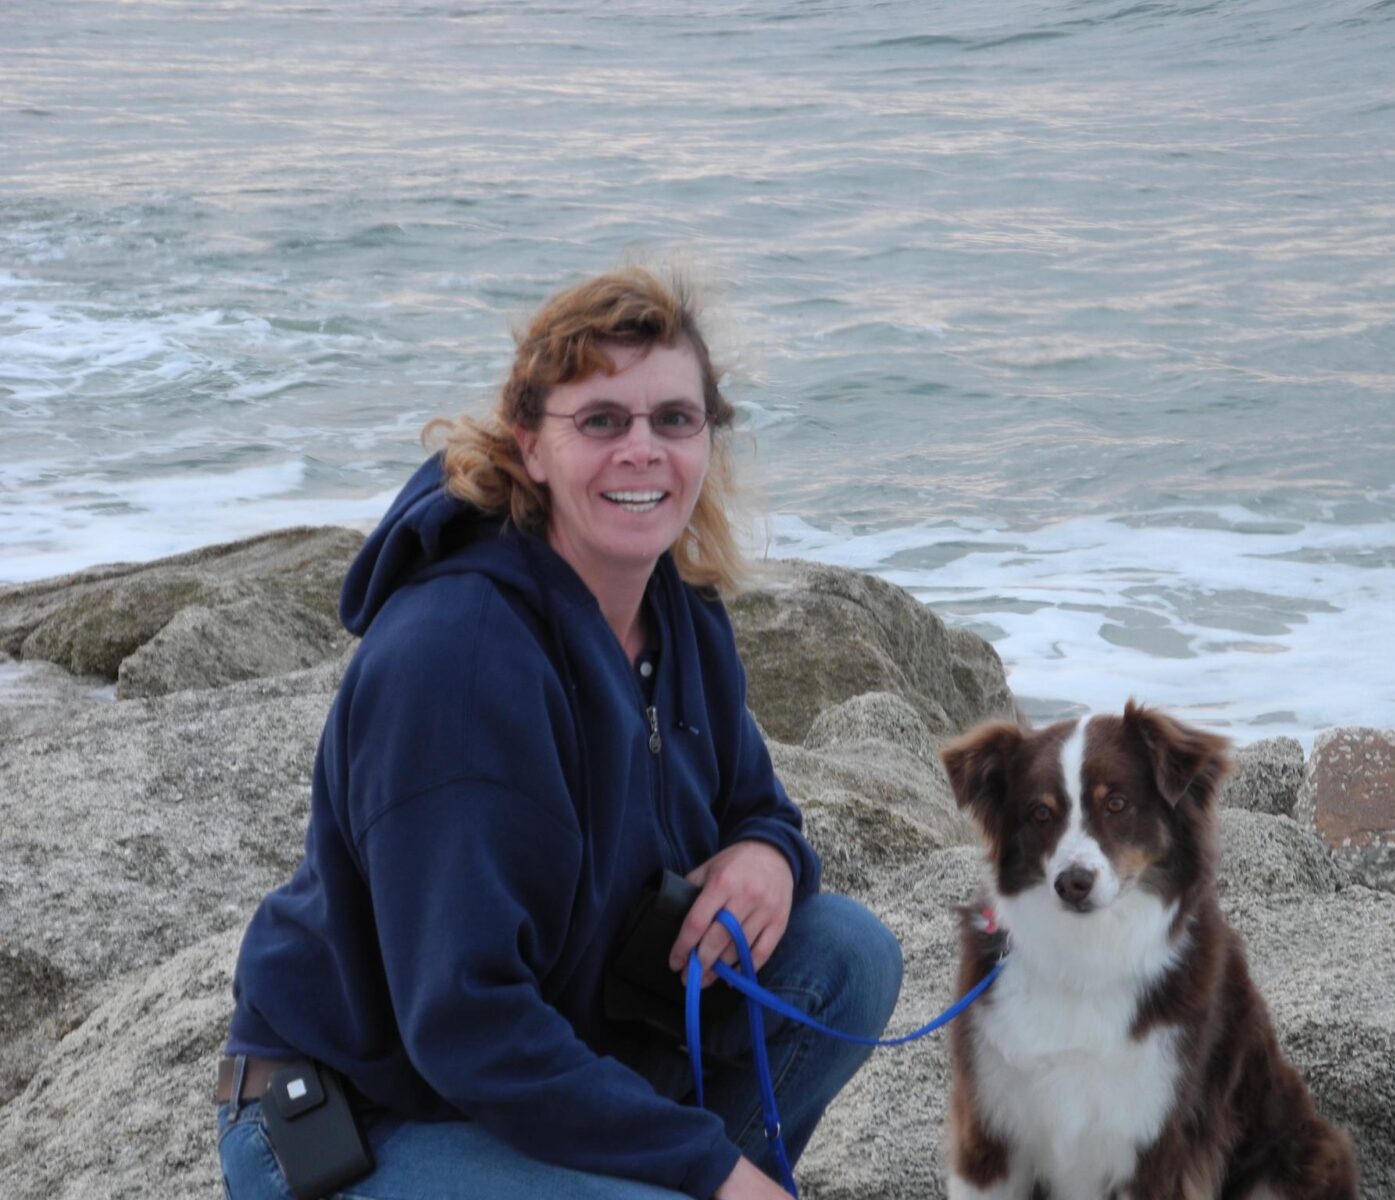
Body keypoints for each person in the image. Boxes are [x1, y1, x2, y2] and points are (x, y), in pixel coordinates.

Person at [215, 267, 903, 1200]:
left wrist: (767, 856)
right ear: (529, 444)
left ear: (709, 438)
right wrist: (714, 1172)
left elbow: (756, 804)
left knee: (842, 957)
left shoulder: (677, 615)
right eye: (602, 421)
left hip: (536, 1067)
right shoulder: (456, 661)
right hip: (355, 1121)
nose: (643, 450)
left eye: (674, 419)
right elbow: (465, 1021)